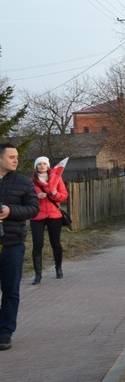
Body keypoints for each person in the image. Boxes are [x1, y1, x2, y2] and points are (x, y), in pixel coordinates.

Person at [0, 143, 40, 351]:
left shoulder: (23, 182)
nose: (16, 160)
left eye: (17, 156)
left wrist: (10, 210)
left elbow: (33, 208)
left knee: (10, 289)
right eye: (11, 157)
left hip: (12, 243)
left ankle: (5, 333)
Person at [29, 156, 70, 285]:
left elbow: (64, 195)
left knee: (55, 243)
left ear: (48, 166)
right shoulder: (31, 182)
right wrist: (36, 197)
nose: (42, 166)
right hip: (37, 216)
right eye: (39, 164)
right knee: (37, 244)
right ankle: (38, 274)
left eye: (44, 164)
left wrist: (55, 194)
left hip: (53, 215)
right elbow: (26, 197)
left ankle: (58, 268)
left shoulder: (57, 179)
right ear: (36, 167)